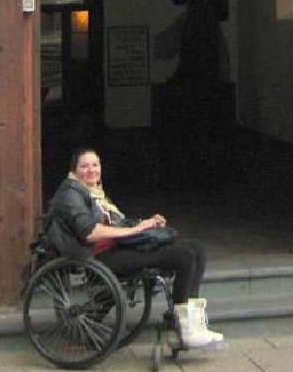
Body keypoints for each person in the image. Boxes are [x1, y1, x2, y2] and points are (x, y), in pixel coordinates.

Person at [47, 150, 226, 350]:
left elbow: (117, 223)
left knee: (197, 248)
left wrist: (145, 224)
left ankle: (193, 323)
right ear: (74, 170)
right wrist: (134, 230)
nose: (91, 170)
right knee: (182, 256)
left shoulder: (93, 192)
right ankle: (183, 327)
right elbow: (90, 232)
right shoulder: (70, 194)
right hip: (99, 256)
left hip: (117, 247)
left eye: (95, 165)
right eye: (85, 166)